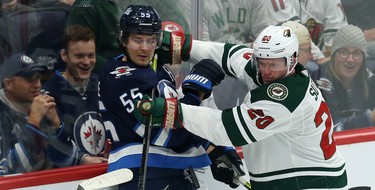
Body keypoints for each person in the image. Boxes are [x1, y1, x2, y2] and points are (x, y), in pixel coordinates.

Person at [135, 25, 348, 189]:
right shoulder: (272, 69)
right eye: (261, 62)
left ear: (292, 60)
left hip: (313, 183)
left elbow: (227, 128)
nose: (265, 70)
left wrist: (174, 111)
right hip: (290, 177)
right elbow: (232, 54)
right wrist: (184, 47)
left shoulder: (285, 99)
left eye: (273, 64)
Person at [99, 5, 245, 190]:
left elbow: (178, 122)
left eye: (151, 40)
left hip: (174, 171)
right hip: (141, 174)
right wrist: (194, 94)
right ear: (124, 39)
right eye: (137, 40)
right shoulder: (118, 77)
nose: (145, 48)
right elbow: (165, 134)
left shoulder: (154, 68)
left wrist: (215, 150)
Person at [42, 25, 108, 166]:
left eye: (91, 55)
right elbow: (48, 147)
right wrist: (83, 160)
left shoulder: (103, 84)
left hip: (107, 170)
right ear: (64, 55)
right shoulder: (48, 95)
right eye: (79, 56)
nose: (86, 62)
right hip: (69, 180)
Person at [0, 54, 67, 175]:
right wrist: (34, 122)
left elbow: (65, 158)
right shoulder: (2, 116)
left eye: (37, 78)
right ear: (8, 84)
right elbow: (9, 171)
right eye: (29, 80)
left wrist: (57, 126)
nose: (37, 85)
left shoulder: (42, 104)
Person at [314, 24, 375, 131]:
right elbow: (330, 130)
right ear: (333, 55)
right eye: (344, 52)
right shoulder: (320, 81)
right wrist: (370, 118)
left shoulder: (369, 79)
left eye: (357, 53)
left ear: (363, 58)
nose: (350, 59)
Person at [67, 0, 122, 72]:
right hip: (102, 70)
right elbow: (80, 50)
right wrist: (114, 69)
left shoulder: (110, 4)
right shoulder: (85, 7)